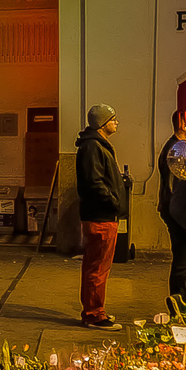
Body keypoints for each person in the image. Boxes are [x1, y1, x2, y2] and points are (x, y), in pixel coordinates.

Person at [75, 104, 126, 330]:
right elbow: (94, 182)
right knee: (97, 268)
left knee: (95, 267)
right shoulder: (93, 147)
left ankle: (94, 310)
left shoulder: (95, 145)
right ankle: (95, 315)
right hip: (101, 217)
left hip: (101, 215)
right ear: (103, 123)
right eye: (113, 119)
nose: (116, 123)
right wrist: (113, 201)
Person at [157, 110, 186, 303]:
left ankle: (179, 299)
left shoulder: (175, 146)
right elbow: (176, 188)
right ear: (185, 124)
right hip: (178, 213)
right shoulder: (177, 149)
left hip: (175, 210)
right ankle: (179, 300)